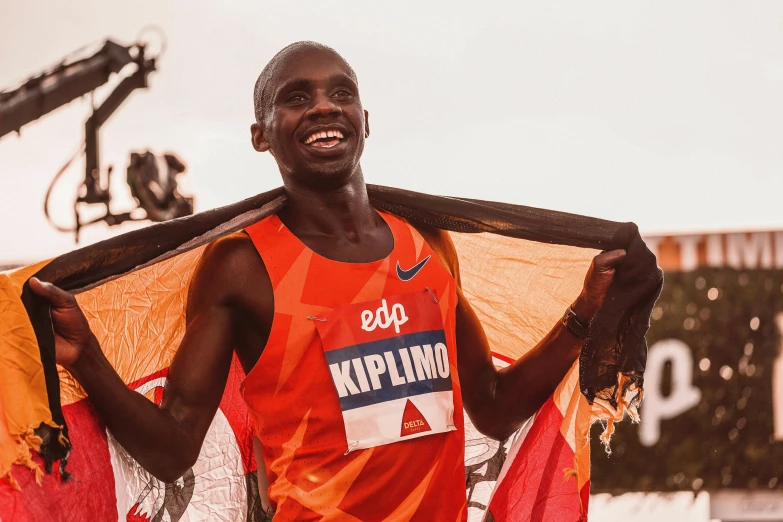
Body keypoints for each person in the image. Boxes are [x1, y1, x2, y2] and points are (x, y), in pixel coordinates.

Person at [30, 41, 626, 520]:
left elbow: (493, 409)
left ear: (364, 120)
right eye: (296, 97)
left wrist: (581, 316)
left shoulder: (427, 245)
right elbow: (175, 446)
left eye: (341, 93)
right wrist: (87, 359)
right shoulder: (243, 266)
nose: (322, 106)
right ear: (261, 135)